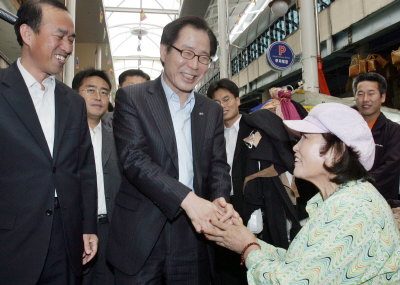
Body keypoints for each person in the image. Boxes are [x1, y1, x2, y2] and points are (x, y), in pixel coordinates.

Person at [204, 103, 400, 284]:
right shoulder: (337, 200)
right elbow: (302, 264)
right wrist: (247, 238)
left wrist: (248, 248)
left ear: (336, 151)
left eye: (305, 138)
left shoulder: (351, 208)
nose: (295, 147)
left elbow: (293, 281)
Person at [107, 16, 235, 285]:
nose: (194, 65)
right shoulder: (133, 98)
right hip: (142, 233)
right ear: (164, 51)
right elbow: (134, 160)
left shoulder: (210, 109)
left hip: (195, 234)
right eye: (187, 53)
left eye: (203, 57)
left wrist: (220, 199)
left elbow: (218, 165)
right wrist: (188, 200)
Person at [0, 1, 98, 284]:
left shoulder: (73, 102)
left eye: (71, 39)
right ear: (28, 34)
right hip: (11, 240)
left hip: (66, 240)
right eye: (59, 36)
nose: (67, 47)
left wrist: (87, 226)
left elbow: (83, 169)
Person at [72, 69, 122, 285]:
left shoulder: (119, 138)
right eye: (90, 90)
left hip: (112, 228)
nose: (98, 97)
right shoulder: (64, 136)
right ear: (75, 94)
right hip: (75, 227)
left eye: (104, 92)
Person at [353, 72, 400, 201]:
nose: (365, 99)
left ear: (382, 97)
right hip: (346, 199)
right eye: (360, 93)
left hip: (380, 200)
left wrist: (356, 186)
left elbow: (390, 167)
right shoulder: (345, 129)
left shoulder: (394, 131)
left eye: (371, 93)